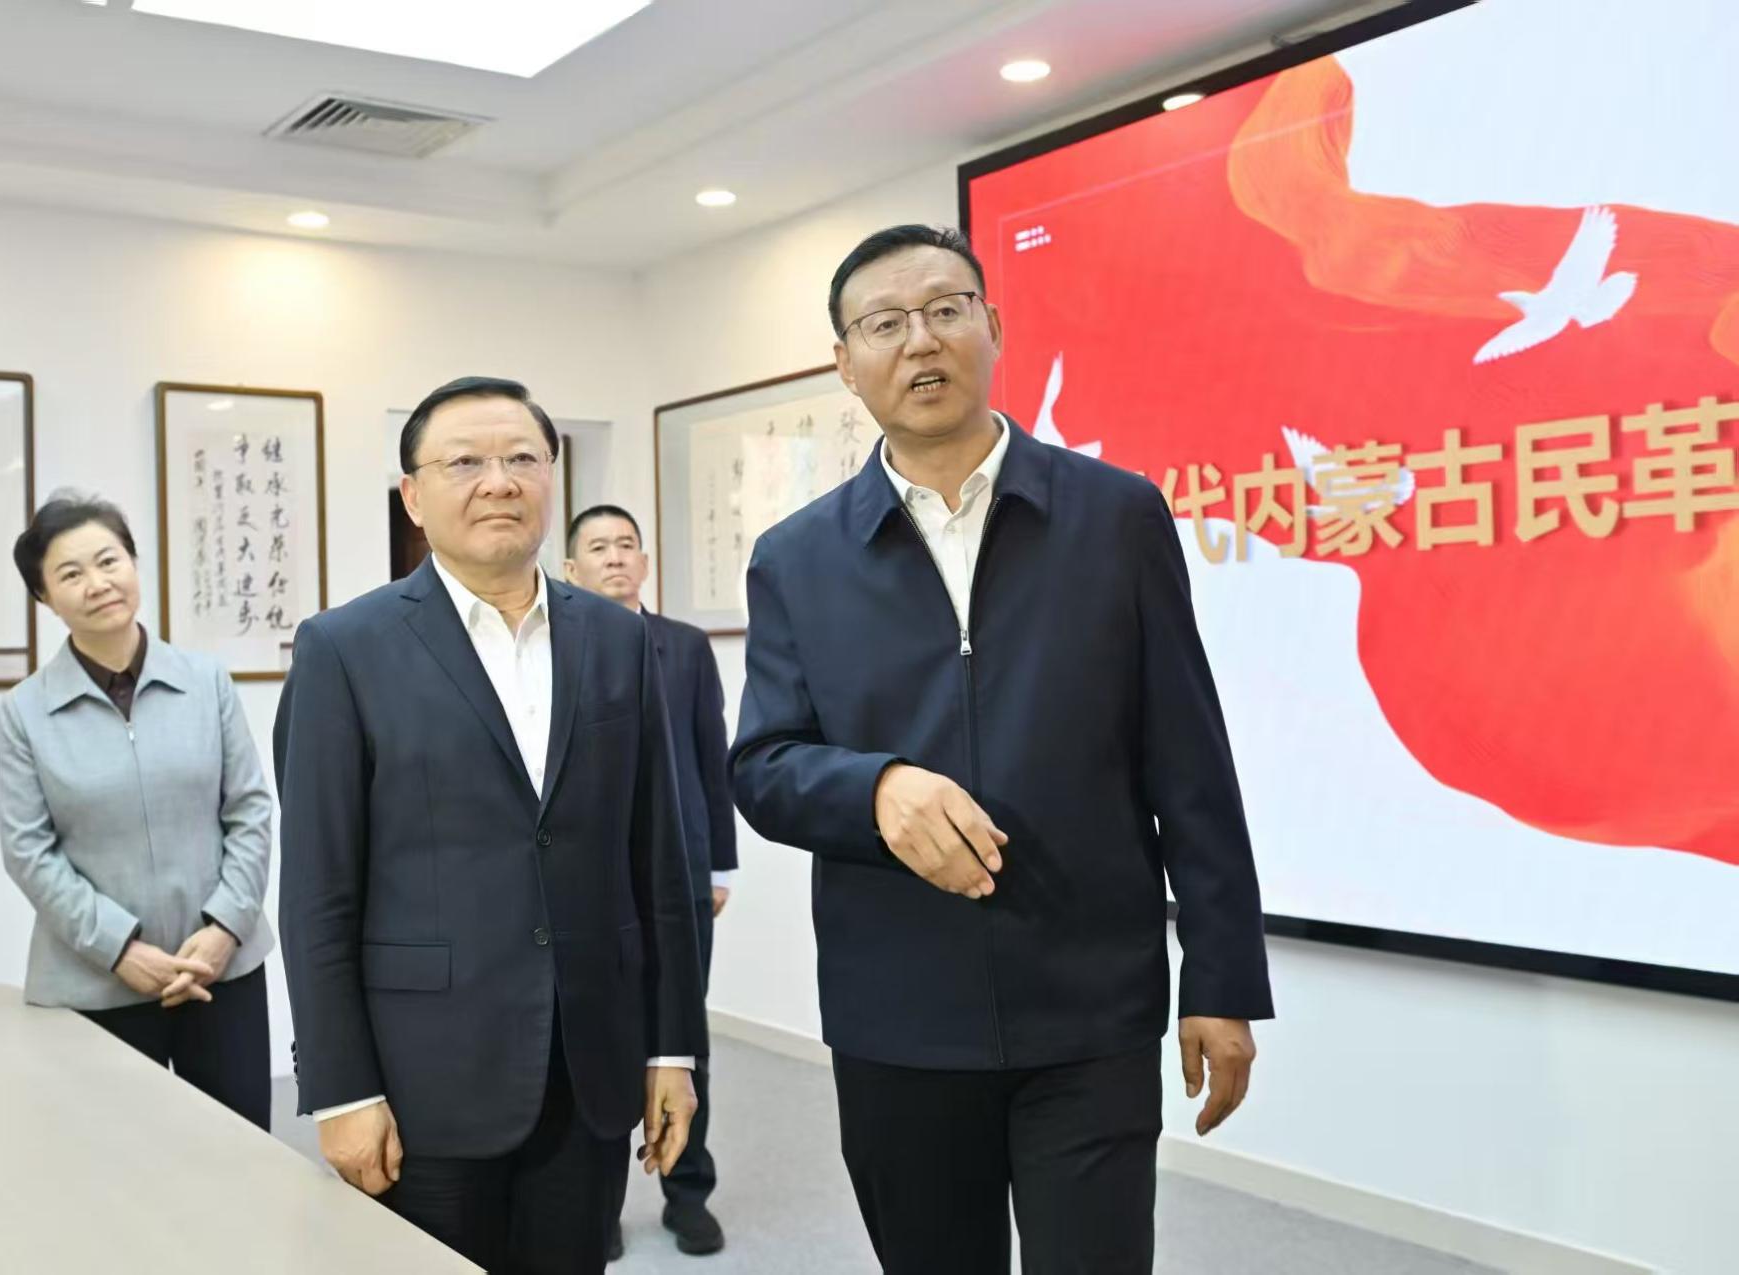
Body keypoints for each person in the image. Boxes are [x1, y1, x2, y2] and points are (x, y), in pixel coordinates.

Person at [728, 225, 1274, 1274]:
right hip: (898, 1015)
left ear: (994, 326)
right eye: (884, 324)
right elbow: (762, 766)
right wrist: (874, 789)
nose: (920, 341)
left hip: (1091, 1007)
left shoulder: (1114, 516)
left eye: (947, 310)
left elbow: (1190, 762)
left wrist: (1221, 977)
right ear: (844, 363)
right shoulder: (797, 558)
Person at [274, 377, 708, 1275]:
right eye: (464, 461)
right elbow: (318, 889)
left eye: (521, 458)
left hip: (588, 1064)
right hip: (423, 1076)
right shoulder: (345, 647)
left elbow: (659, 863)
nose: (498, 481)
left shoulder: (620, 639)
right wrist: (341, 1088)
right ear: (413, 495)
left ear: (551, 475)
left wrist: (672, 1046)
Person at [0, 493, 275, 1129]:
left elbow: (250, 812)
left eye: (108, 561)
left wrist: (224, 929)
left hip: (219, 972)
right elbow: (28, 851)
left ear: (133, 563)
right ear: (44, 597)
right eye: (71, 574)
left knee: (238, 1157)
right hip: (97, 985)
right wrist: (120, 949)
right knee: (115, 1169)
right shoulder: (25, 713)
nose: (97, 584)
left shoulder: (206, 682)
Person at [564, 504, 736, 1260]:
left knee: (682, 1038)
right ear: (571, 569)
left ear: (644, 562)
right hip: (592, 878)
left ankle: (688, 1190)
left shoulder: (686, 648)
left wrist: (718, 863)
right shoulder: (557, 647)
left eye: (626, 545)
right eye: (598, 547)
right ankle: (597, 1202)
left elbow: (711, 756)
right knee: (592, 1038)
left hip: (682, 873)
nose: (614, 557)